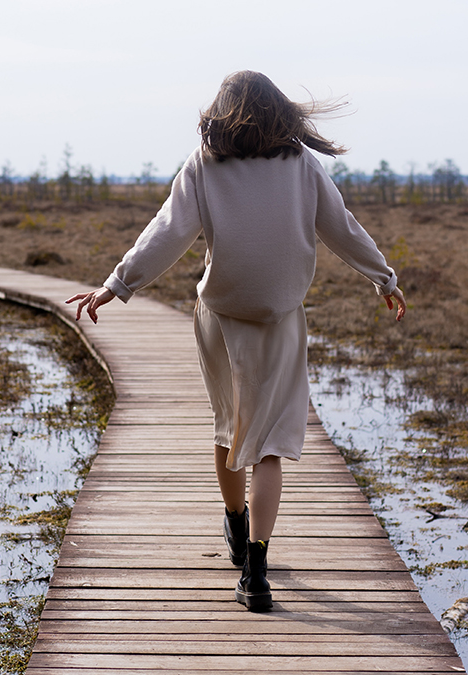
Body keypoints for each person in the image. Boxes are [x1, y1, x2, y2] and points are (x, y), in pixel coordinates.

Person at [66, 70, 406, 612]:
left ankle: (233, 521)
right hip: (279, 319)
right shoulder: (301, 166)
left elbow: (167, 232)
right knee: (269, 444)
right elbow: (342, 227)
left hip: (218, 317)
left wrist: (117, 286)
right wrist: (383, 278)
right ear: (281, 113)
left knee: (229, 426)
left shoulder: (205, 164)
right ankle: (256, 572)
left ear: (221, 112)